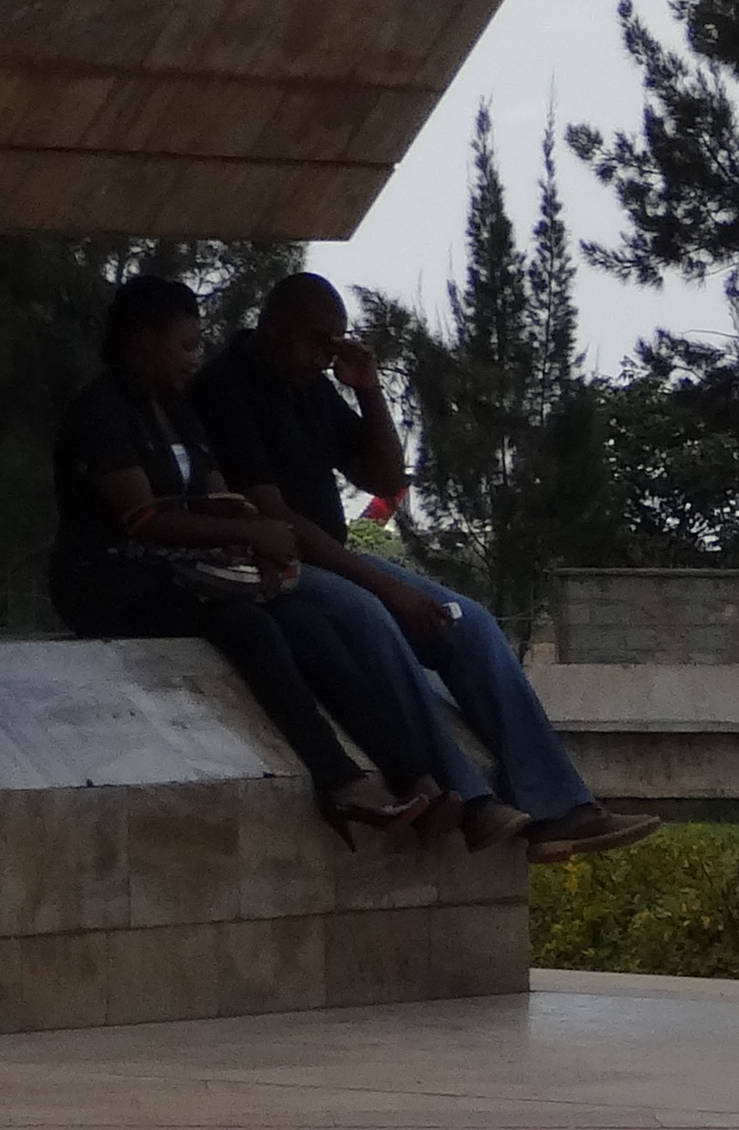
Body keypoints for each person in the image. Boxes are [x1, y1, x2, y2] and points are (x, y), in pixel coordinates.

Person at [189, 268, 662, 865]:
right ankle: (467, 793)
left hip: (334, 556)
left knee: (469, 621)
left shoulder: (308, 384)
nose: (322, 356)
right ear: (273, 326)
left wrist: (367, 389)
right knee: (374, 617)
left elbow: (385, 481)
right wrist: (389, 587)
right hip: (272, 564)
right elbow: (276, 517)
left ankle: (557, 806)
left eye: (334, 343)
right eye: (315, 341)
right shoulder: (226, 388)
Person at [50, 272, 454, 839]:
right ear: (142, 342)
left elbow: (217, 497)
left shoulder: (174, 410)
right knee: (248, 628)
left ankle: (413, 775)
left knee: (306, 623)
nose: (195, 359)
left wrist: (250, 529)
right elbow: (142, 517)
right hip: (109, 578)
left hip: (174, 570)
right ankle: (337, 779)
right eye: (185, 346)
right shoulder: (102, 412)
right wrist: (251, 535)